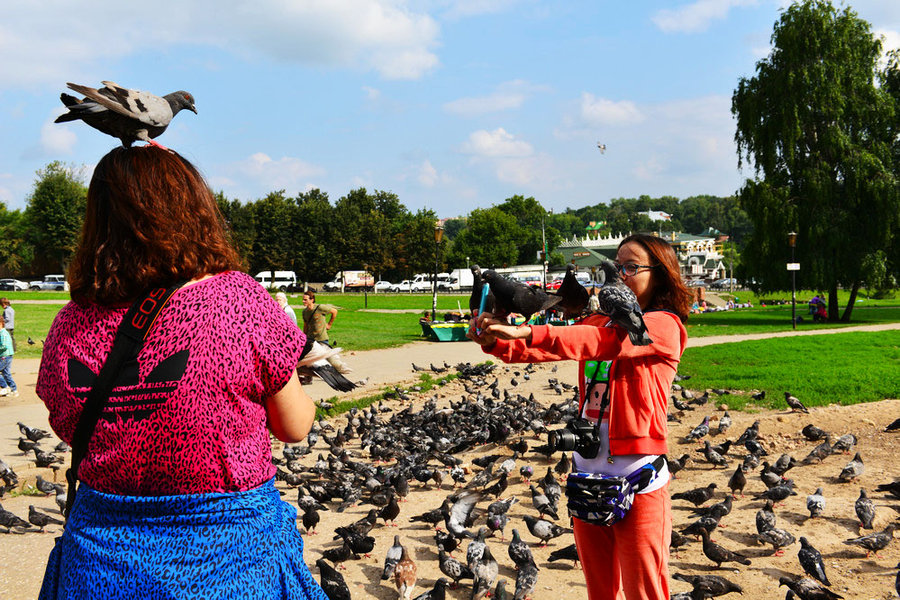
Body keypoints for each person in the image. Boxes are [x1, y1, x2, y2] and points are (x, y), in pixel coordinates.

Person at [36, 146, 326, 600]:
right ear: (194, 209)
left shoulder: (69, 324)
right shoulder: (237, 300)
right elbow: (294, 426)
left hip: (100, 568)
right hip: (230, 562)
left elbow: (70, 426)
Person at [468, 233, 691, 600]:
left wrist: (526, 329)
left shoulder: (664, 325)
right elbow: (556, 347)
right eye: (617, 266)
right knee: (599, 592)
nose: (620, 274)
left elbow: (600, 343)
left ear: (660, 274)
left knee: (645, 592)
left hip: (640, 478)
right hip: (587, 472)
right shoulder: (601, 319)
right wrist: (494, 340)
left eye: (631, 267)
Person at [301, 290, 350, 374]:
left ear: (312, 300)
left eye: (305, 299)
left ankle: (341, 370)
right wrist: (304, 337)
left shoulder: (320, 308)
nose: (303, 301)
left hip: (321, 338)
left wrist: (329, 324)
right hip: (311, 339)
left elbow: (334, 311)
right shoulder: (304, 312)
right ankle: (308, 377)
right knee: (309, 359)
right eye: (303, 299)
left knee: (329, 358)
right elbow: (305, 325)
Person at [0, 315, 17, 397]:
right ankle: (14, 390)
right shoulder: (3, 333)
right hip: (7, 355)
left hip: (5, 356)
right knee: (6, 373)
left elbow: (4, 346)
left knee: (5, 373)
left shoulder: (3, 333)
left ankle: (5, 387)